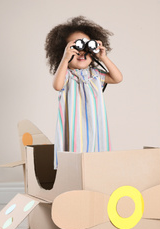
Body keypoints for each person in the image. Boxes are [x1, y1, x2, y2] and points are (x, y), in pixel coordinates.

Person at [45, 16, 123, 168]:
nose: (82, 52)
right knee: (75, 156)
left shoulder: (95, 75)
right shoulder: (66, 74)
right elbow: (57, 85)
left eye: (87, 47)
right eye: (76, 48)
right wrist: (65, 58)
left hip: (95, 126)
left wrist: (103, 57)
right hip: (74, 127)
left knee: (96, 156)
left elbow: (117, 78)